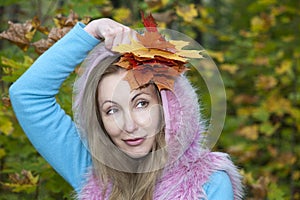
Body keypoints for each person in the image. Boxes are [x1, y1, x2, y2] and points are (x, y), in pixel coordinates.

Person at [9, 15, 244, 200]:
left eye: (141, 103)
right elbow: (27, 95)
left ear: (169, 107)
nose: (128, 126)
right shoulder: (92, 172)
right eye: (111, 110)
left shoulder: (208, 183)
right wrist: (93, 31)